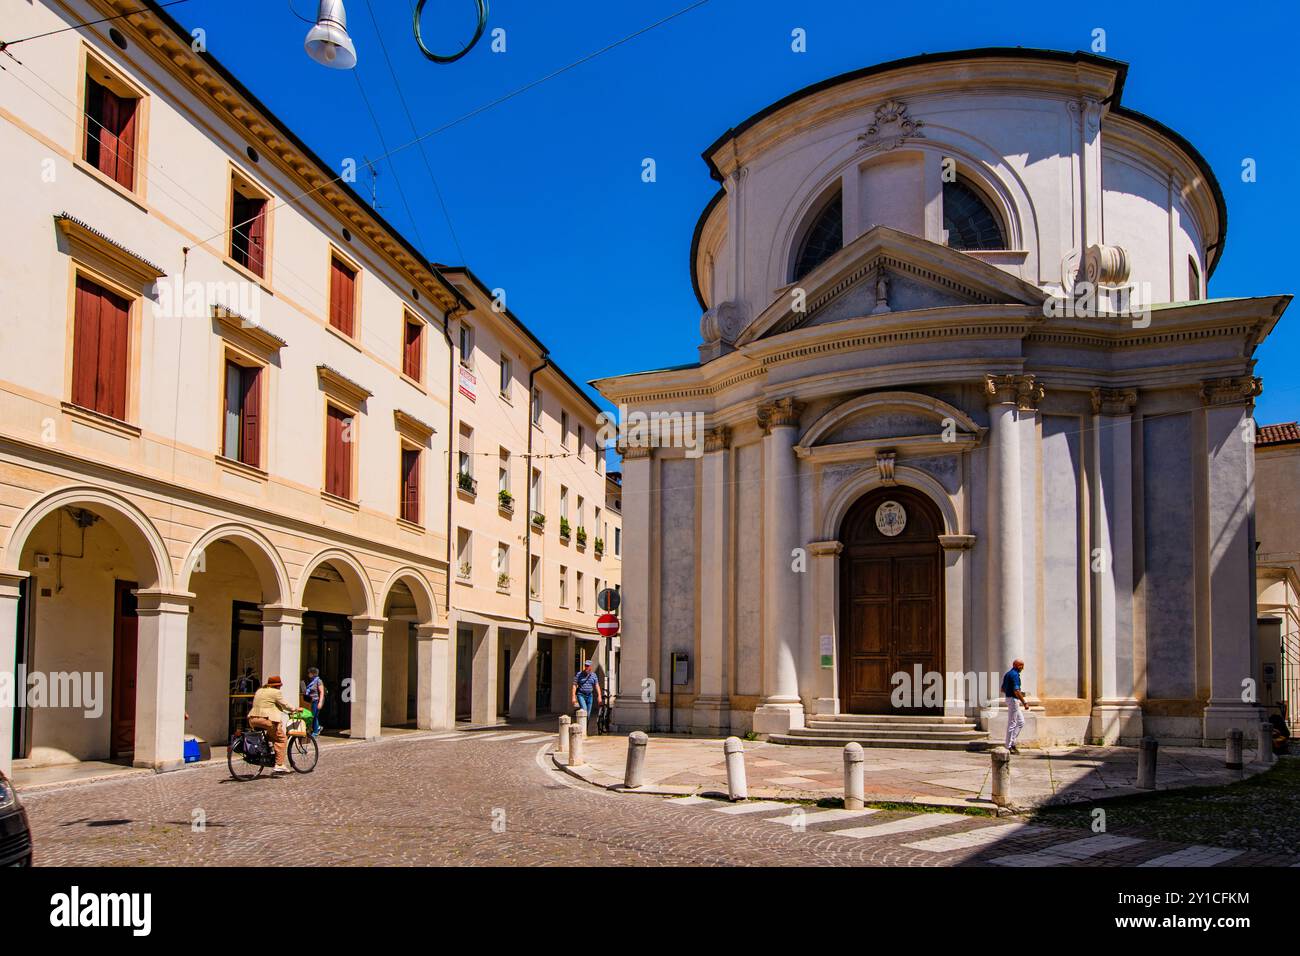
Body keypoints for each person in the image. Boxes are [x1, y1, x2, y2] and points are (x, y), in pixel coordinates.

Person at [247, 675, 293, 773]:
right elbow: (284, 704)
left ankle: (266, 753)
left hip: (252, 719)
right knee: (281, 738)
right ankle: (279, 764)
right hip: (266, 720)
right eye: (279, 685)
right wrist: (295, 709)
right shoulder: (276, 692)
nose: (280, 687)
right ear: (277, 685)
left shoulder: (259, 690)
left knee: (271, 735)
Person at [1001, 659, 1027, 754]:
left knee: (1021, 722)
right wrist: (1024, 702)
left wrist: (1011, 692)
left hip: (1010, 699)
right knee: (1012, 723)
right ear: (1016, 665)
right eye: (1021, 665)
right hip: (1013, 700)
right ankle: (1008, 746)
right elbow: (1016, 691)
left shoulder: (1008, 674)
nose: (1022, 668)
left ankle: (1011, 742)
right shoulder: (1015, 675)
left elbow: (1002, 689)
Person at [303, 667, 325, 737]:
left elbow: (322, 692)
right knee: (312, 716)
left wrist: (320, 702)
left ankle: (316, 731)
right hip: (309, 701)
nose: (308, 674)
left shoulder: (318, 681)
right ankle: (317, 728)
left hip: (316, 701)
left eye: (309, 673)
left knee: (314, 716)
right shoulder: (310, 681)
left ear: (313, 674)